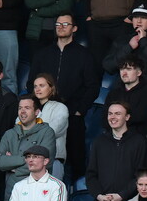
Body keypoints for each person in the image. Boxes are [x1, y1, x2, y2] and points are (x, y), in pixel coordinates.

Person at [26, 12, 99, 178]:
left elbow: (93, 86)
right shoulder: (42, 53)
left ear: (74, 28)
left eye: (65, 24)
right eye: (58, 24)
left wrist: (80, 110)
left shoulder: (84, 55)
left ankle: (73, 197)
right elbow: (30, 83)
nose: (61, 27)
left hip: (73, 114)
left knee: (76, 161)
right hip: (44, 114)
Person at [86, 101, 146, 201]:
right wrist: (99, 196)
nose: (113, 117)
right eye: (110, 113)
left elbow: (140, 176)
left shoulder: (138, 141)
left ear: (127, 117)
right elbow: (91, 175)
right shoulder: (99, 142)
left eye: (118, 114)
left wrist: (121, 195)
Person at [0, 97, 57, 201]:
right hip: (12, 195)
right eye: (20, 108)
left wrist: (14, 167)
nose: (22, 111)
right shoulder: (9, 134)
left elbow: (45, 163)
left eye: (27, 108)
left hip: (38, 196)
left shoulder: (47, 132)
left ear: (37, 112)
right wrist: (30, 159)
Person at [31, 74, 69, 180]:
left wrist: (30, 132)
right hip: (31, 160)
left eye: (42, 85)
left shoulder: (60, 108)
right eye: (35, 86)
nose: (38, 89)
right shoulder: (29, 108)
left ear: (51, 88)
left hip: (54, 159)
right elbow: (19, 130)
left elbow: (51, 132)